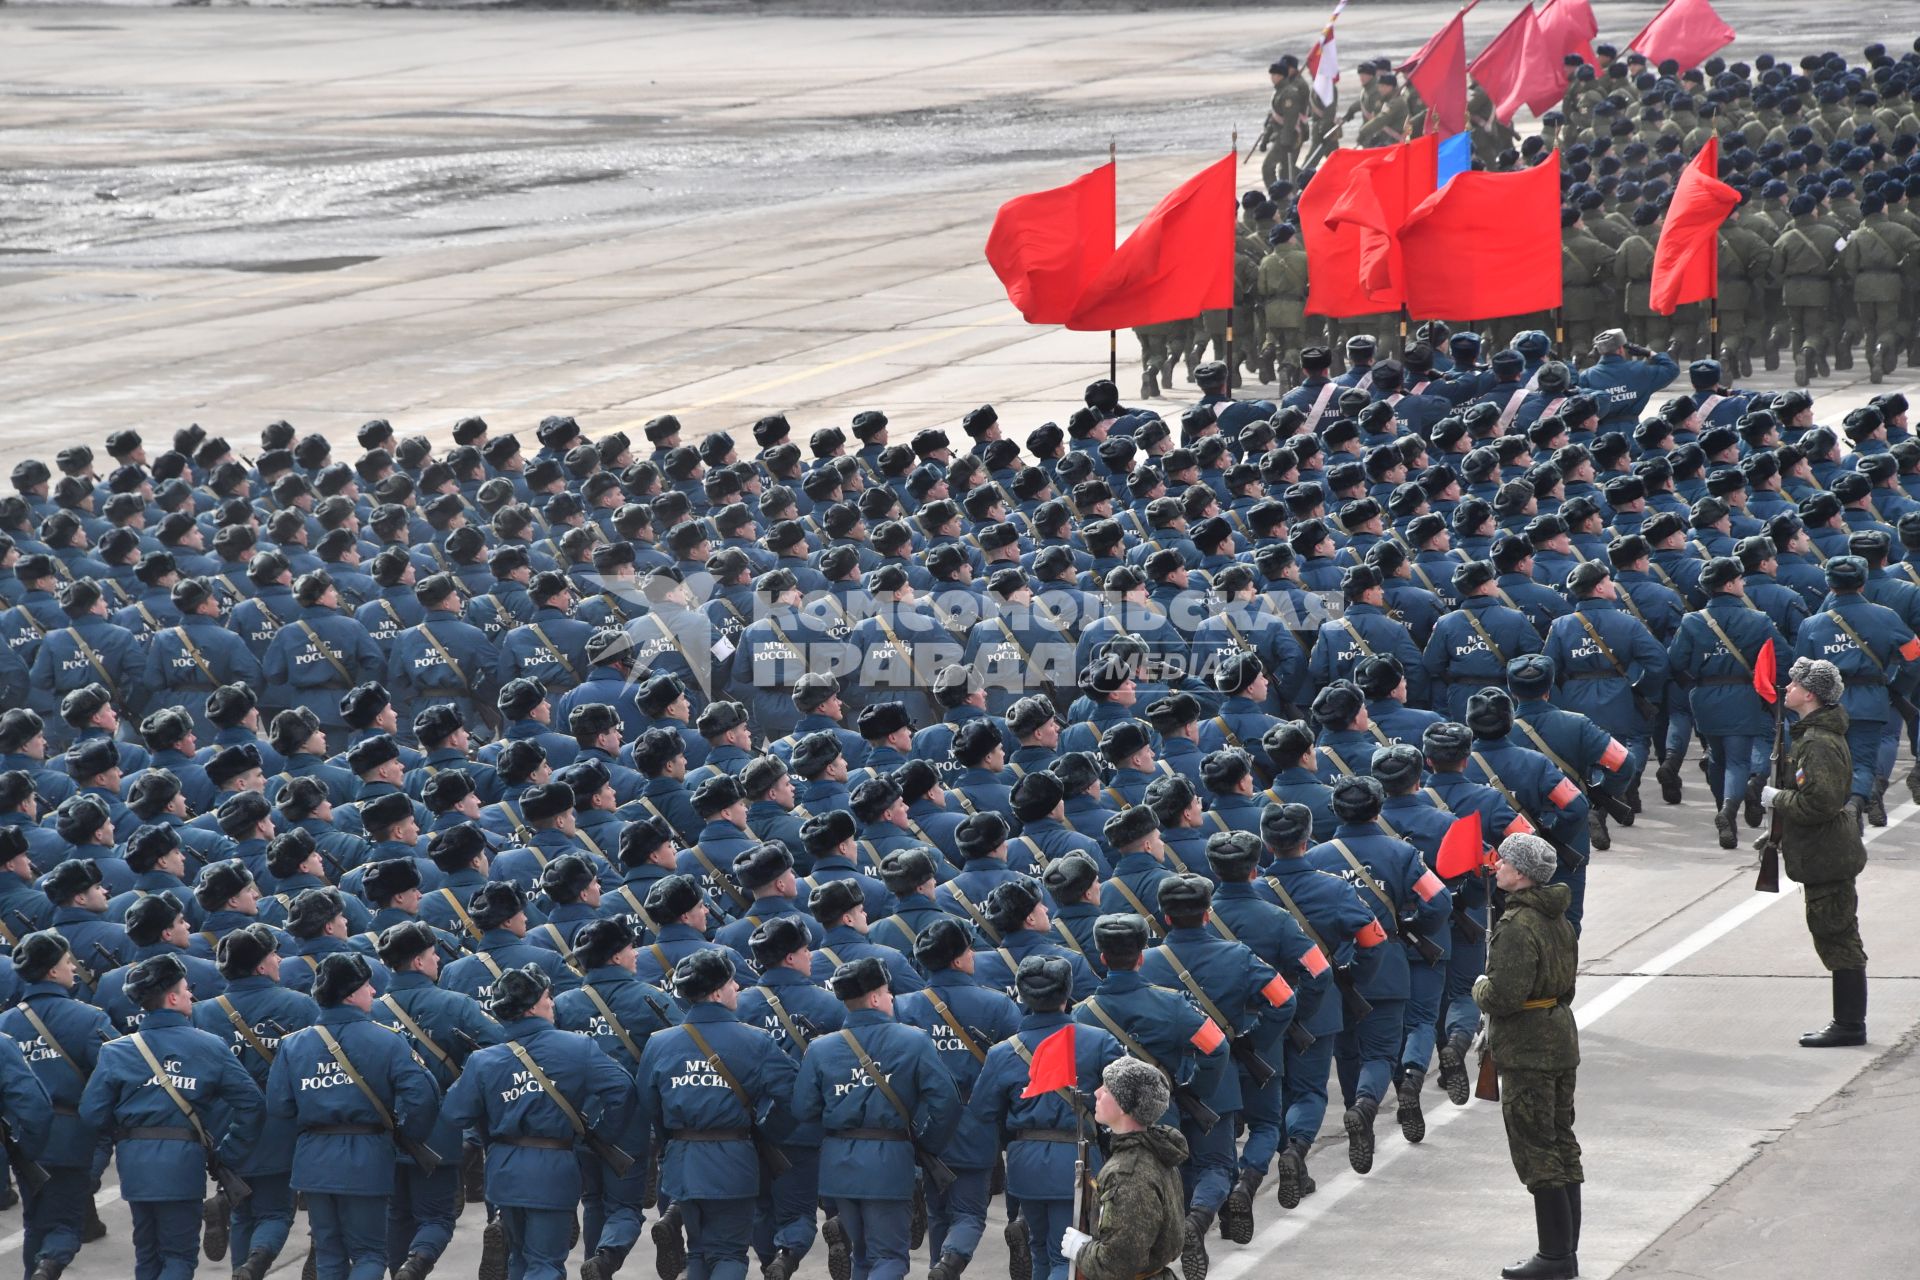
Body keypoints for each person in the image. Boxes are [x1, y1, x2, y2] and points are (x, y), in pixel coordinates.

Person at [442, 963, 636, 1280]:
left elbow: (454, 1112)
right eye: (548, 996)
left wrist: (493, 1123)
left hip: (504, 1168)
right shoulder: (577, 1047)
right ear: (533, 1006)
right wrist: (600, 1133)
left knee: (518, 1260)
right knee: (545, 1263)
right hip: (553, 1167)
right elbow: (622, 1089)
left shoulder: (483, 1060)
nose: (552, 1003)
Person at [79, 953, 266, 1280]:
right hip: (183, 1163)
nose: (192, 995)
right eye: (185, 988)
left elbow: (92, 1114)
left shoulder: (116, 1050)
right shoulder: (209, 1046)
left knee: (147, 1254)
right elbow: (252, 1103)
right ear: (172, 997)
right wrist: (229, 1153)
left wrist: (129, 1131)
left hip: (135, 1165)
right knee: (178, 1258)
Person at [266, 950, 442, 1280]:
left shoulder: (292, 1045)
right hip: (367, 1158)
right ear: (350, 994)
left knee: (329, 1253)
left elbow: (278, 1107)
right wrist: (407, 1135)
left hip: (313, 1161)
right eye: (366, 986)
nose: (374, 992)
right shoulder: (387, 1041)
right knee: (370, 1254)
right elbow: (423, 1096)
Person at [1473, 834, 1581, 1280]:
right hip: (1557, 1036)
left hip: (1528, 1048)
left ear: (1522, 875)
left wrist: (1480, 986)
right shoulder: (1558, 918)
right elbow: (1565, 985)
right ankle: (1564, 1252)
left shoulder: (1519, 926)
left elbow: (1504, 995)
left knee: (1537, 1149)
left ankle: (1554, 1257)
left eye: (1505, 862)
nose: (1496, 866)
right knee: (1560, 1142)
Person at [1760, 657, 1870, 1048]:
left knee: (1837, 936)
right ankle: (1848, 1022)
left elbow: (1818, 804)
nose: (1786, 689)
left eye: (1792, 685)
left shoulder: (1817, 743)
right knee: (1833, 933)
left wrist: (1778, 798)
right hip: (1822, 851)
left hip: (1827, 854)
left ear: (1809, 695)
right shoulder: (1813, 736)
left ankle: (1849, 1024)